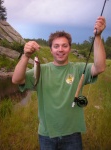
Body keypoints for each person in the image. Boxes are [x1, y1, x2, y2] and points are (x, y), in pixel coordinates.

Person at [12, 16, 106, 150]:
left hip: (72, 134)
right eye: (56, 46)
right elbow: (16, 80)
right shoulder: (41, 69)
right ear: (51, 50)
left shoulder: (78, 68)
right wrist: (26, 55)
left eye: (64, 46)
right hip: (46, 134)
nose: (60, 49)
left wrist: (97, 36)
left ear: (69, 48)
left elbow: (100, 67)